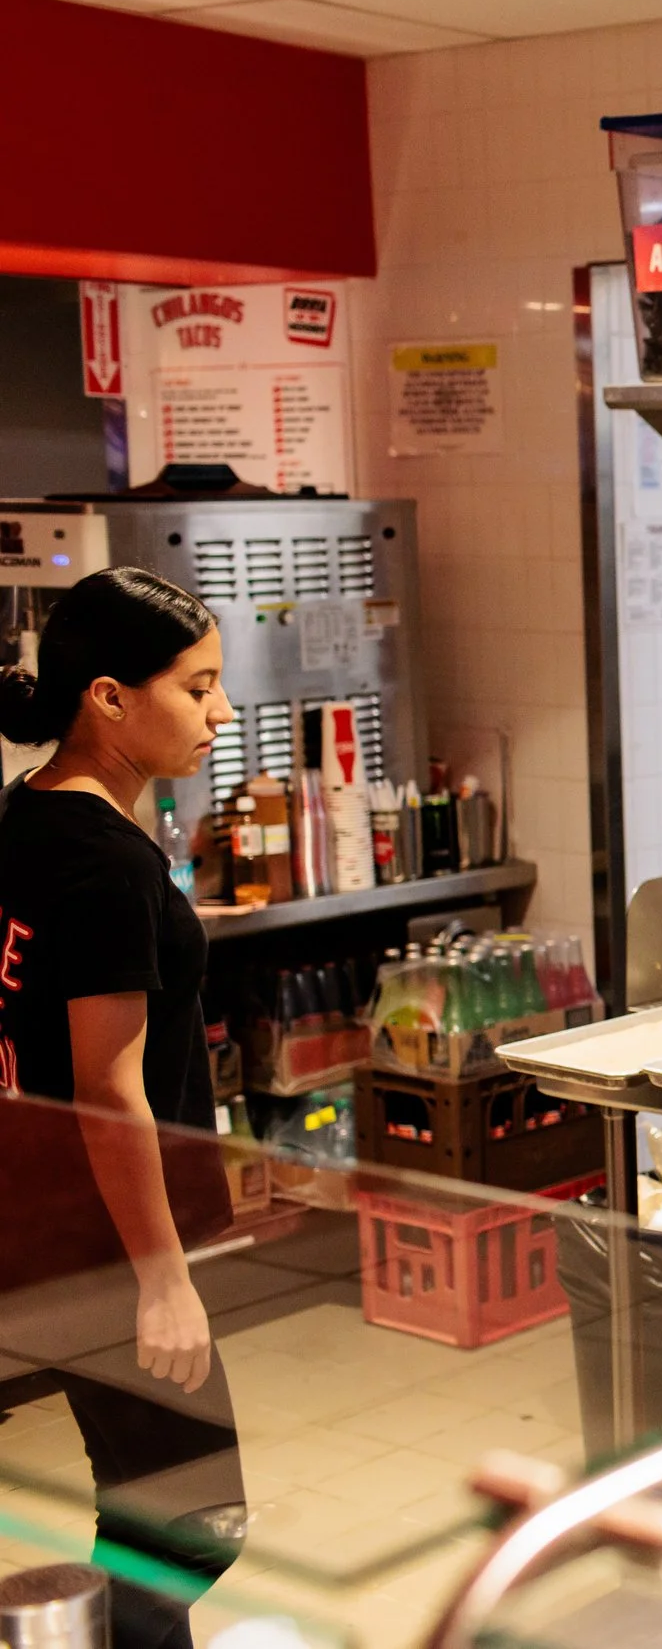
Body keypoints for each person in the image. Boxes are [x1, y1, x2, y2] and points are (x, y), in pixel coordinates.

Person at [0, 566, 243, 1649]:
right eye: (198, 689)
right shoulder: (105, 864)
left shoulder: (23, 817)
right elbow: (109, 1091)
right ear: (108, 697)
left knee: (167, 1509)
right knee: (193, 1515)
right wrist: (162, 1281)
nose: (222, 715)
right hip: (96, 1246)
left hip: (29, 1225)